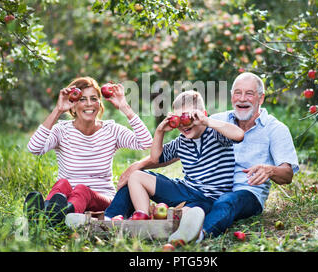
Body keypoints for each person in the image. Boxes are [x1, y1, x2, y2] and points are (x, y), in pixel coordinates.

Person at [115, 72, 299, 243]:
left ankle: (198, 234)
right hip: (197, 190)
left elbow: (287, 174)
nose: (243, 98)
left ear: (261, 98)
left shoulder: (274, 129)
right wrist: (137, 166)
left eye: (249, 93)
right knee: (135, 179)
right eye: (238, 93)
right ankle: (115, 219)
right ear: (232, 96)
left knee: (223, 202)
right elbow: (168, 153)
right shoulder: (212, 121)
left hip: (243, 192)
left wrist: (270, 170)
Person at [104, 90, 244, 243]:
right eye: (179, 119)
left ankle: (176, 226)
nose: (184, 124)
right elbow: (155, 158)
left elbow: (239, 135)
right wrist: (160, 131)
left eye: (189, 117)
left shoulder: (215, 134)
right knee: (136, 176)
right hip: (185, 189)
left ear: (202, 114)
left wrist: (207, 121)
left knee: (185, 215)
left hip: (209, 198)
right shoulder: (181, 142)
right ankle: (142, 219)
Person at [24, 76, 153, 226]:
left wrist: (125, 107)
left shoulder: (111, 130)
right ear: (72, 104)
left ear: (99, 103)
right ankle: (47, 213)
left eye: (94, 98)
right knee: (62, 183)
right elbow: (34, 148)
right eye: (82, 99)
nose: (89, 104)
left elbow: (146, 143)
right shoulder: (61, 131)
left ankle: (53, 217)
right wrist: (57, 110)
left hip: (103, 199)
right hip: (66, 197)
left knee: (81, 189)